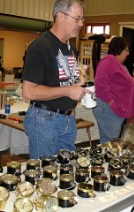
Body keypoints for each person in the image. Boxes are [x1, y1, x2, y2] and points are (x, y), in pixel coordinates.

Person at [21, 0, 90, 159]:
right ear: (60, 16)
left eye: (82, 19)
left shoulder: (71, 48)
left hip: (67, 120)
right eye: (77, 18)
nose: (80, 24)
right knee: (45, 175)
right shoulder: (40, 46)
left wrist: (71, 109)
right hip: (45, 120)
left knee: (65, 172)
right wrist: (68, 91)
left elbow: (68, 83)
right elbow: (28, 92)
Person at [93, 37, 134, 144]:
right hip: (108, 108)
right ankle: (106, 160)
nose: (128, 53)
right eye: (126, 50)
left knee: (111, 141)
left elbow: (120, 83)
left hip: (113, 108)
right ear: (119, 49)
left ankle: (108, 159)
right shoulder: (108, 62)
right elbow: (100, 82)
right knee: (109, 141)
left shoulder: (117, 65)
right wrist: (110, 102)